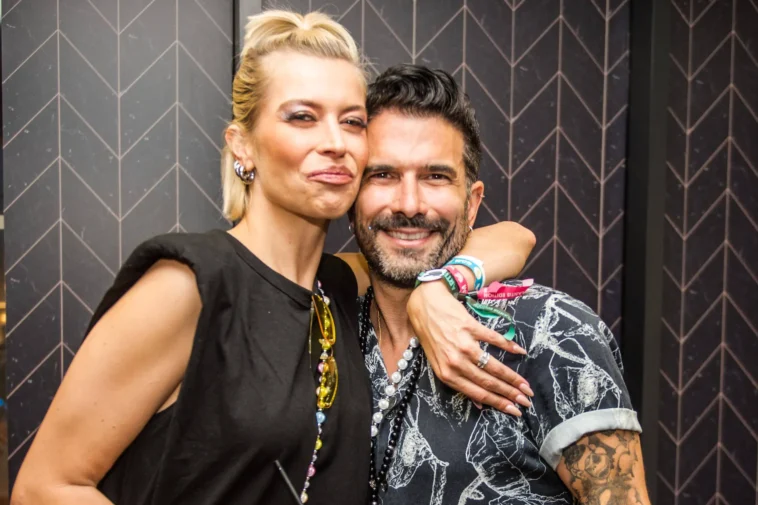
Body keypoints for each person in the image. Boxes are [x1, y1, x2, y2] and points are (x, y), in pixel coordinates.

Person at [10, 11, 536, 505]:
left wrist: (436, 287)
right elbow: (44, 488)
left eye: (352, 122)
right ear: (243, 145)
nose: (334, 142)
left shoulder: (336, 285)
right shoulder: (190, 285)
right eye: (302, 117)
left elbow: (511, 238)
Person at [350, 64, 651, 505]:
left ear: (472, 204)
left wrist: (434, 287)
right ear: (351, 197)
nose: (409, 204)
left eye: (435, 177)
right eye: (382, 175)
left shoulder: (553, 332)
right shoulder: (328, 328)